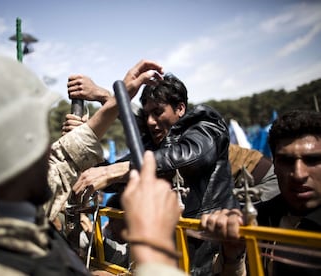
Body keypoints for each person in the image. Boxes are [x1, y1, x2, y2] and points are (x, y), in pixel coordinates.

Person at [0, 55, 184, 275]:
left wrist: (115, 99)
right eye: (36, 136)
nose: (47, 149)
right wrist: (153, 249)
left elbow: (63, 158)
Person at [68, 73, 239, 275]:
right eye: (147, 114)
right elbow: (110, 180)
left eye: (158, 112)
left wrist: (118, 170)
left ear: (180, 108)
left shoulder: (206, 125)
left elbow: (188, 156)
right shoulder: (153, 144)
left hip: (211, 253)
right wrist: (83, 144)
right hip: (166, 252)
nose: (150, 121)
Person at [200, 109, 321, 276]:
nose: (299, 174)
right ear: (274, 164)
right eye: (286, 161)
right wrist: (233, 256)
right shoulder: (256, 218)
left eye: (313, 160)